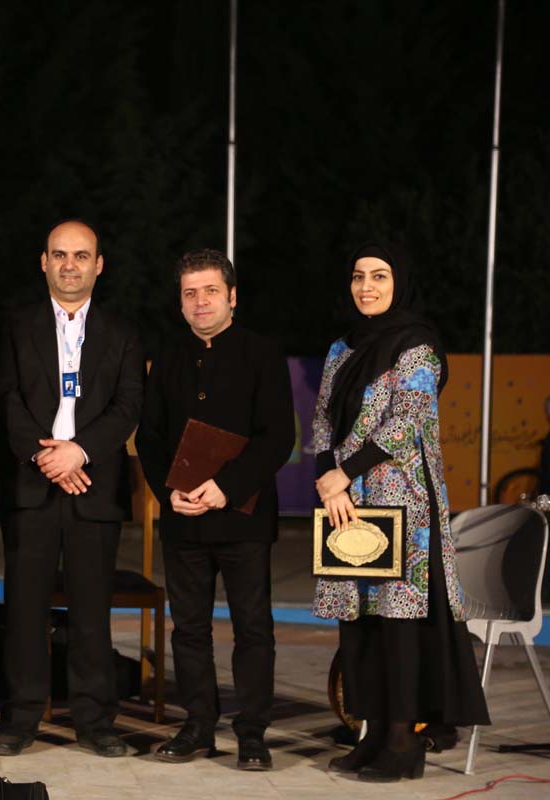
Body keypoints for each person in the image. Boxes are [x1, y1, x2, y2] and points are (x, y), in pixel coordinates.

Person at [312, 241, 489, 782]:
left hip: (403, 501)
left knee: (400, 623)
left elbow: (408, 419)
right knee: (359, 622)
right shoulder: (342, 348)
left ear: (399, 282)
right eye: (359, 276)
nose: (366, 286)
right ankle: (370, 733)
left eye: (380, 276)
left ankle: (403, 740)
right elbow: (322, 419)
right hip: (347, 502)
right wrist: (329, 480)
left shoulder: (417, 344)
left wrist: (345, 471)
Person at [135, 249, 294, 770]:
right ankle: (198, 726)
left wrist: (226, 487)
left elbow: (278, 436)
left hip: (243, 516)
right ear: (180, 301)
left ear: (232, 296)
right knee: (189, 629)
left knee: (253, 628)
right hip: (183, 516)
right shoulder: (167, 354)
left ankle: (253, 733)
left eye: (209, 291)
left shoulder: (262, 353)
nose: (200, 301)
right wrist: (168, 492)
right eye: (190, 293)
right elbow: (151, 437)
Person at [0, 220, 143, 758]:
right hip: (31, 484)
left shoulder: (122, 332)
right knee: (24, 610)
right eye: (60, 254)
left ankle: (95, 721)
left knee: (91, 612)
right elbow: (5, 398)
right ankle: (21, 718)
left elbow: (128, 404)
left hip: (92, 486)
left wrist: (78, 451)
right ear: (44, 262)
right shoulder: (15, 326)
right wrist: (44, 456)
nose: (70, 265)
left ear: (99, 265)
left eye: (81, 255)